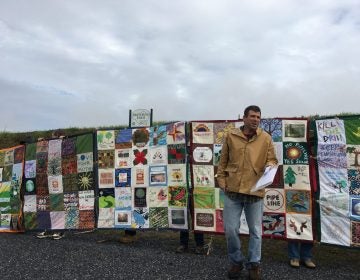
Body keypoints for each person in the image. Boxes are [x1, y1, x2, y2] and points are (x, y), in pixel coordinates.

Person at [216, 105, 278, 280]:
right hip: (233, 191)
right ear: (243, 118)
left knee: (256, 231)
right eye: (252, 116)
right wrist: (221, 180)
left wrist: (270, 166)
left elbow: (272, 159)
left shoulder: (266, 138)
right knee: (230, 229)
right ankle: (236, 261)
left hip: (255, 190)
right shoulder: (231, 136)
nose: (255, 119)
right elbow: (223, 161)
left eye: (258, 117)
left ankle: (254, 265)